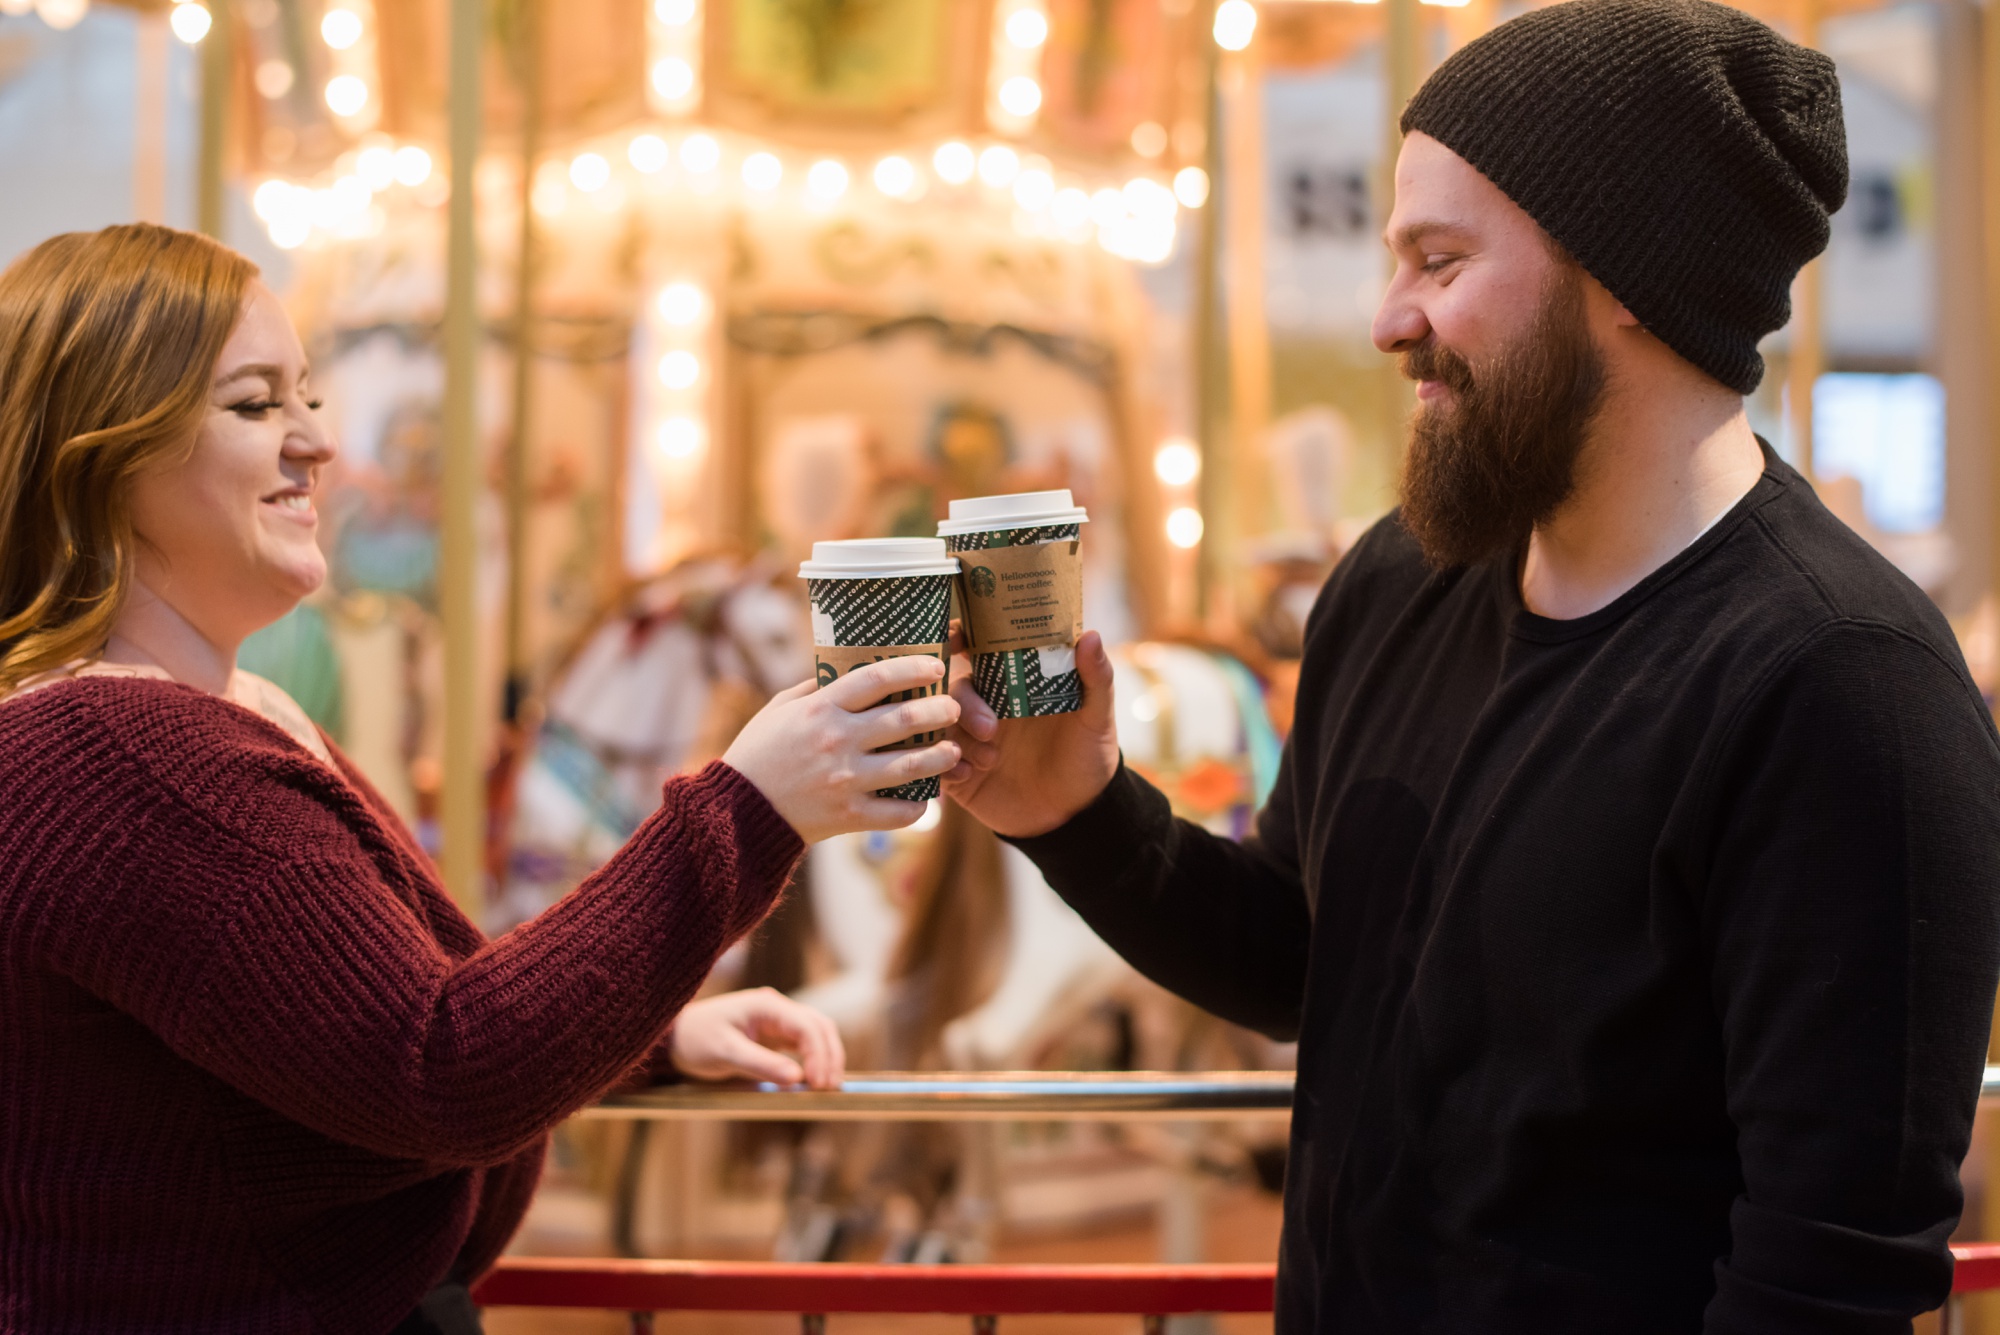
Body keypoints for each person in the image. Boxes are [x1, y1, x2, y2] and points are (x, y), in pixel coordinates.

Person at [945, 1, 2000, 1330]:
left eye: (1441, 261)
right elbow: (1301, 955)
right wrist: (1076, 811)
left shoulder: (1847, 688)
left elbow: (1827, 1269)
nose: (1389, 320)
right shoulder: (1398, 578)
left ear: (1629, 271)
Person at [0, 223, 960, 1332]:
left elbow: (360, 1025)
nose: (317, 441)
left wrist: (646, 1039)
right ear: (105, 456)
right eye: (256, 405)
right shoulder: (122, 760)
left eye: (307, 396)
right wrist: (748, 809)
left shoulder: (210, 718)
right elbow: (441, 1067)